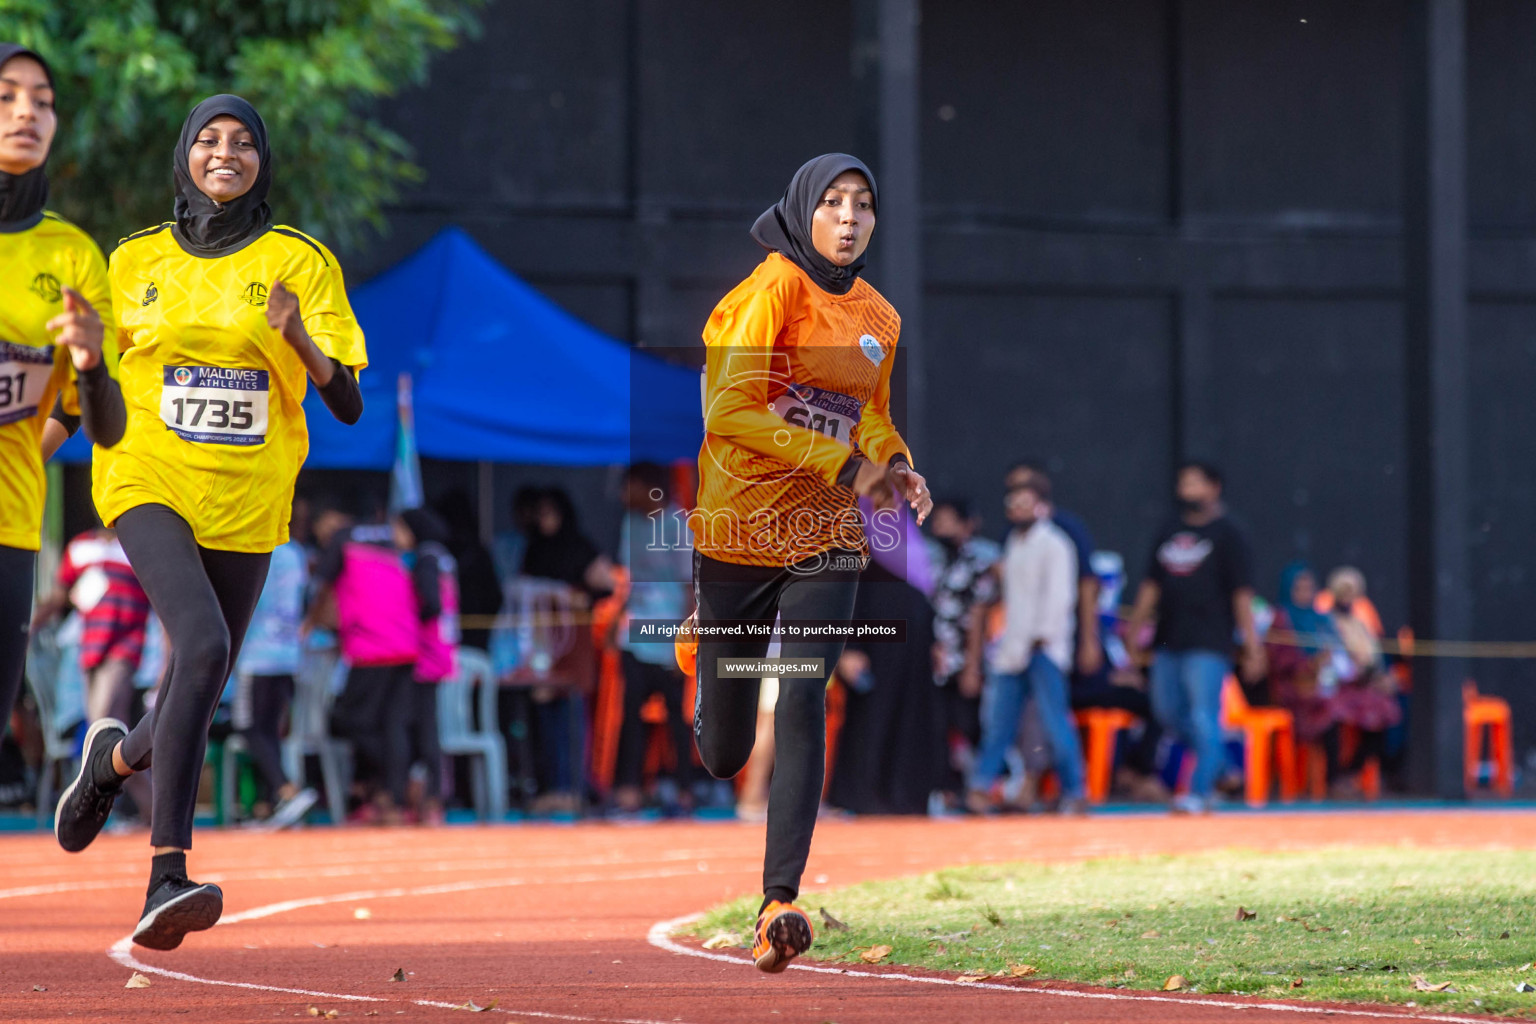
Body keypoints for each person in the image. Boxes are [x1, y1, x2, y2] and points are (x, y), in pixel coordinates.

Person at [52, 95, 366, 952]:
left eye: (242, 143)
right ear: (187, 154)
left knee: (201, 676)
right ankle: (166, 874)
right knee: (202, 648)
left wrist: (298, 338)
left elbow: (345, 402)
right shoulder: (132, 260)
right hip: (146, 475)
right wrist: (80, 375)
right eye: (207, 139)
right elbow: (102, 400)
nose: (224, 153)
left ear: (262, 159)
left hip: (249, 499)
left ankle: (109, 766)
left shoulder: (300, 261)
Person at [689, 153, 930, 973]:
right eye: (833, 202)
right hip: (737, 533)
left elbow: (871, 415)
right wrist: (842, 461)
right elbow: (727, 408)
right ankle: (701, 643)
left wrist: (892, 461)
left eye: (863, 203)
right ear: (802, 211)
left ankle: (777, 902)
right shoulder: (768, 293)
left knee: (801, 692)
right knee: (723, 752)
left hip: (828, 534)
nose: (851, 217)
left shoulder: (880, 317)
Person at [0, 43, 124, 745]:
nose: (28, 112)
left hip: (9, 526)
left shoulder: (74, 254)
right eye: (7, 94)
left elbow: (100, 426)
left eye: (42, 101)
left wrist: (91, 360)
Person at [1125, 461, 1263, 815]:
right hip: (1169, 639)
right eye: (1184, 483)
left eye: (1196, 483)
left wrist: (1251, 644)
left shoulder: (1230, 533)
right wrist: (1134, 628)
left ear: (1214, 487)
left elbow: (1242, 594)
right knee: (1167, 711)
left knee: (1204, 715)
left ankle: (1200, 793)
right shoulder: (1169, 529)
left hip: (1210, 641)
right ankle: (1219, 767)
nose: (1188, 490)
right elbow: (1151, 584)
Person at [965, 474, 1088, 815]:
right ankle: (979, 788)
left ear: (1042, 507)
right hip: (1012, 650)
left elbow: (1061, 597)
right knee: (998, 726)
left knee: (1054, 723)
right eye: (1012, 504)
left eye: (1024, 503)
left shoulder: (1056, 544)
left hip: (1043, 648)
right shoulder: (1014, 544)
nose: (1017, 510)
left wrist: (1040, 638)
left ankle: (1076, 792)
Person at [312, 511, 433, 823]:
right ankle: (394, 794)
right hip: (406, 643)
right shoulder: (389, 539)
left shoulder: (343, 541)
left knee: (350, 720)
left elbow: (321, 588)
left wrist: (307, 625)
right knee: (392, 725)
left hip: (372, 645)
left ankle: (401, 780)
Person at [612, 462, 696, 815]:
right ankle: (628, 788)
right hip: (634, 635)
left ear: (649, 487)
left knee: (677, 716)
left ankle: (684, 789)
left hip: (669, 637)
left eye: (629, 486)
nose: (622, 495)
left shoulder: (678, 525)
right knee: (629, 712)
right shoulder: (630, 524)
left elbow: (691, 587)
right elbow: (626, 583)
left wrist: (688, 641)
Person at [232, 515, 318, 830]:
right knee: (270, 730)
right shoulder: (295, 552)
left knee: (251, 728)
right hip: (287, 652)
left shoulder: (254, 548)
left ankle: (286, 789)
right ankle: (270, 805)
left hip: (258, 654)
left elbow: (244, 601)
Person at [926, 498, 1000, 806]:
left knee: (970, 724)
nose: (940, 526)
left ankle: (993, 783)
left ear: (967, 525)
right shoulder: (935, 560)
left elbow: (979, 618)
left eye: (948, 520)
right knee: (938, 725)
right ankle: (949, 790)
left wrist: (972, 667)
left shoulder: (979, 564)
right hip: (939, 660)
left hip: (966, 659)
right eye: (937, 520)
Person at [398, 507, 456, 825]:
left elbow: (431, 603)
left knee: (424, 727)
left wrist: (406, 624)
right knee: (428, 725)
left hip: (427, 650)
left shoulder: (425, 557)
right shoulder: (441, 555)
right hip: (442, 646)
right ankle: (432, 796)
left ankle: (432, 797)